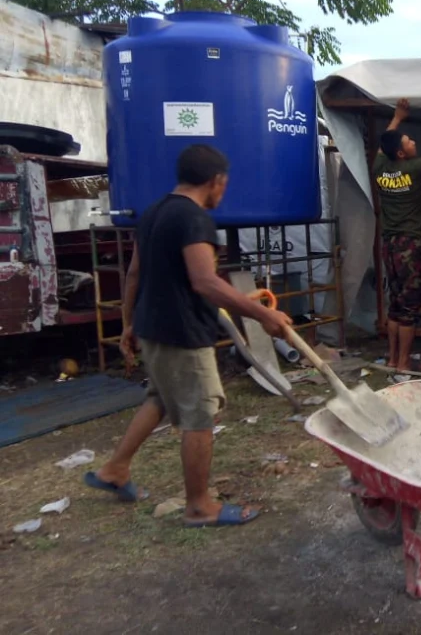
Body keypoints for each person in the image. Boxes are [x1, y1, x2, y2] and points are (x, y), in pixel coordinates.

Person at [84, 145, 292, 527]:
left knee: (160, 397)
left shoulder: (153, 213)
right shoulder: (195, 220)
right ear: (216, 181)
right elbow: (205, 282)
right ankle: (199, 505)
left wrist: (129, 324)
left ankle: (115, 469)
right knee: (200, 413)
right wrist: (265, 314)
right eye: (224, 185)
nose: (223, 193)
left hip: (153, 327)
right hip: (181, 332)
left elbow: (134, 274)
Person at [372, 98, 421, 374]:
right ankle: (404, 363)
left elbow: (385, 144)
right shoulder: (414, 169)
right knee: (409, 309)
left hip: (390, 246)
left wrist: (397, 117)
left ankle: (393, 359)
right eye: (408, 141)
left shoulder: (381, 169)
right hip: (411, 245)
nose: (413, 142)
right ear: (402, 154)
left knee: (395, 305)